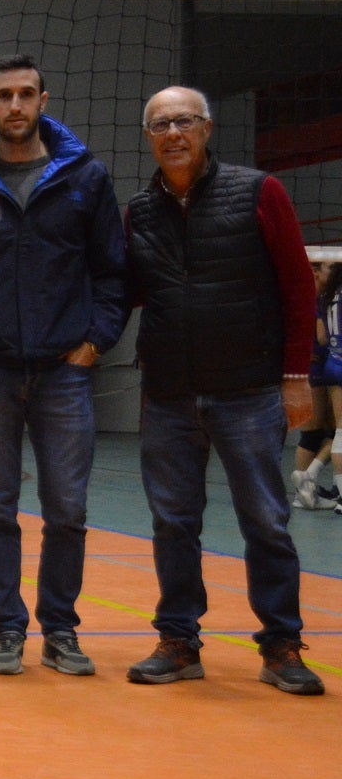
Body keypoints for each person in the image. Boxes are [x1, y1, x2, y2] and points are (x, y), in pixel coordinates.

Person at [0, 53, 127, 677]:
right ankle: (8, 628)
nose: (15, 106)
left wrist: (95, 342)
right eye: (3, 96)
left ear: (43, 100)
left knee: (67, 508)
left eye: (25, 94)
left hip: (66, 371)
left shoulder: (85, 178)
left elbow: (113, 272)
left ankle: (61, 629)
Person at [122, 86, 323, 696]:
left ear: (207, 128)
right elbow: (126, 290)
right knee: (172, 522)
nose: (173, 133)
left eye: (184, 121)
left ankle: (281, 645)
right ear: (149, 137)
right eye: (161, 125)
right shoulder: (140, 209)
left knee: (265, 520)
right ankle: (179, 642)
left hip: (250, 391)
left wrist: (295, 379)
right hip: (169, 394)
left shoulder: (260, 192)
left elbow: (297, 287)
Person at [293, 260, 342, 510]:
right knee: (324, 432)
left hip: (321, 366)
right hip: (317, 367)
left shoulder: (322, 297)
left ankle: (305, 488)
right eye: (329, 267)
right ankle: (307, 481)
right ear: (315, 271)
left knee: (323, 432)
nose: (333, 271)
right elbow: (320, 336)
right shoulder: (312, 298)